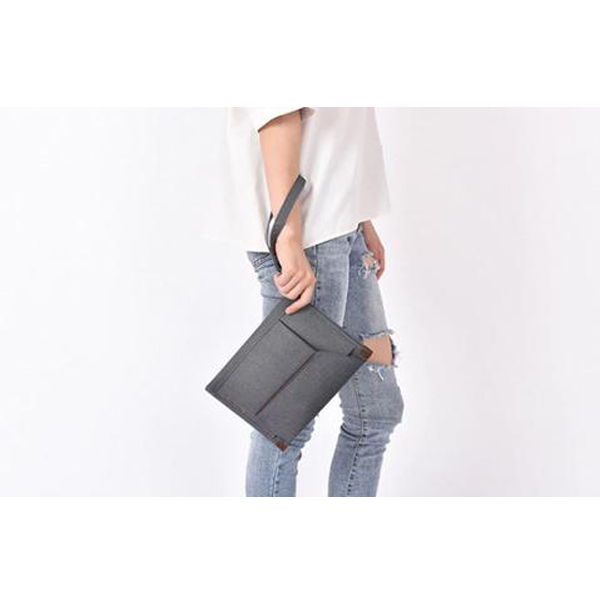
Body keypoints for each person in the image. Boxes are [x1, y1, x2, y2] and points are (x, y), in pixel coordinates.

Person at [225, 107, 404, 496]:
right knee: (285, 424)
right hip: (309, 236)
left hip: (341, 225)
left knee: (376, 412)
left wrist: (362, 218)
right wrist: (288, 235)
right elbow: (278, 113)